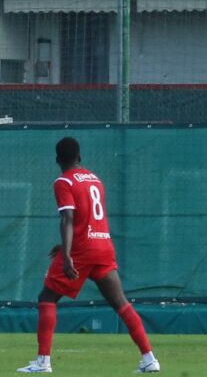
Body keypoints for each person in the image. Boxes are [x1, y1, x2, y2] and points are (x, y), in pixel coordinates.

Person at [17, 137, 160, 373]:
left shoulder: (63, 181)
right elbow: (88, 218)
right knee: (121, 303)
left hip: (82, 250)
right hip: (103, 246)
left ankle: (43, 362)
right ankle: (149, 358)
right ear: (79, 157)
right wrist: (64, 247)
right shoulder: (95, 179)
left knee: (46, 298)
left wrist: (69, 254)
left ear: (57, 159)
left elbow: (69, 218)